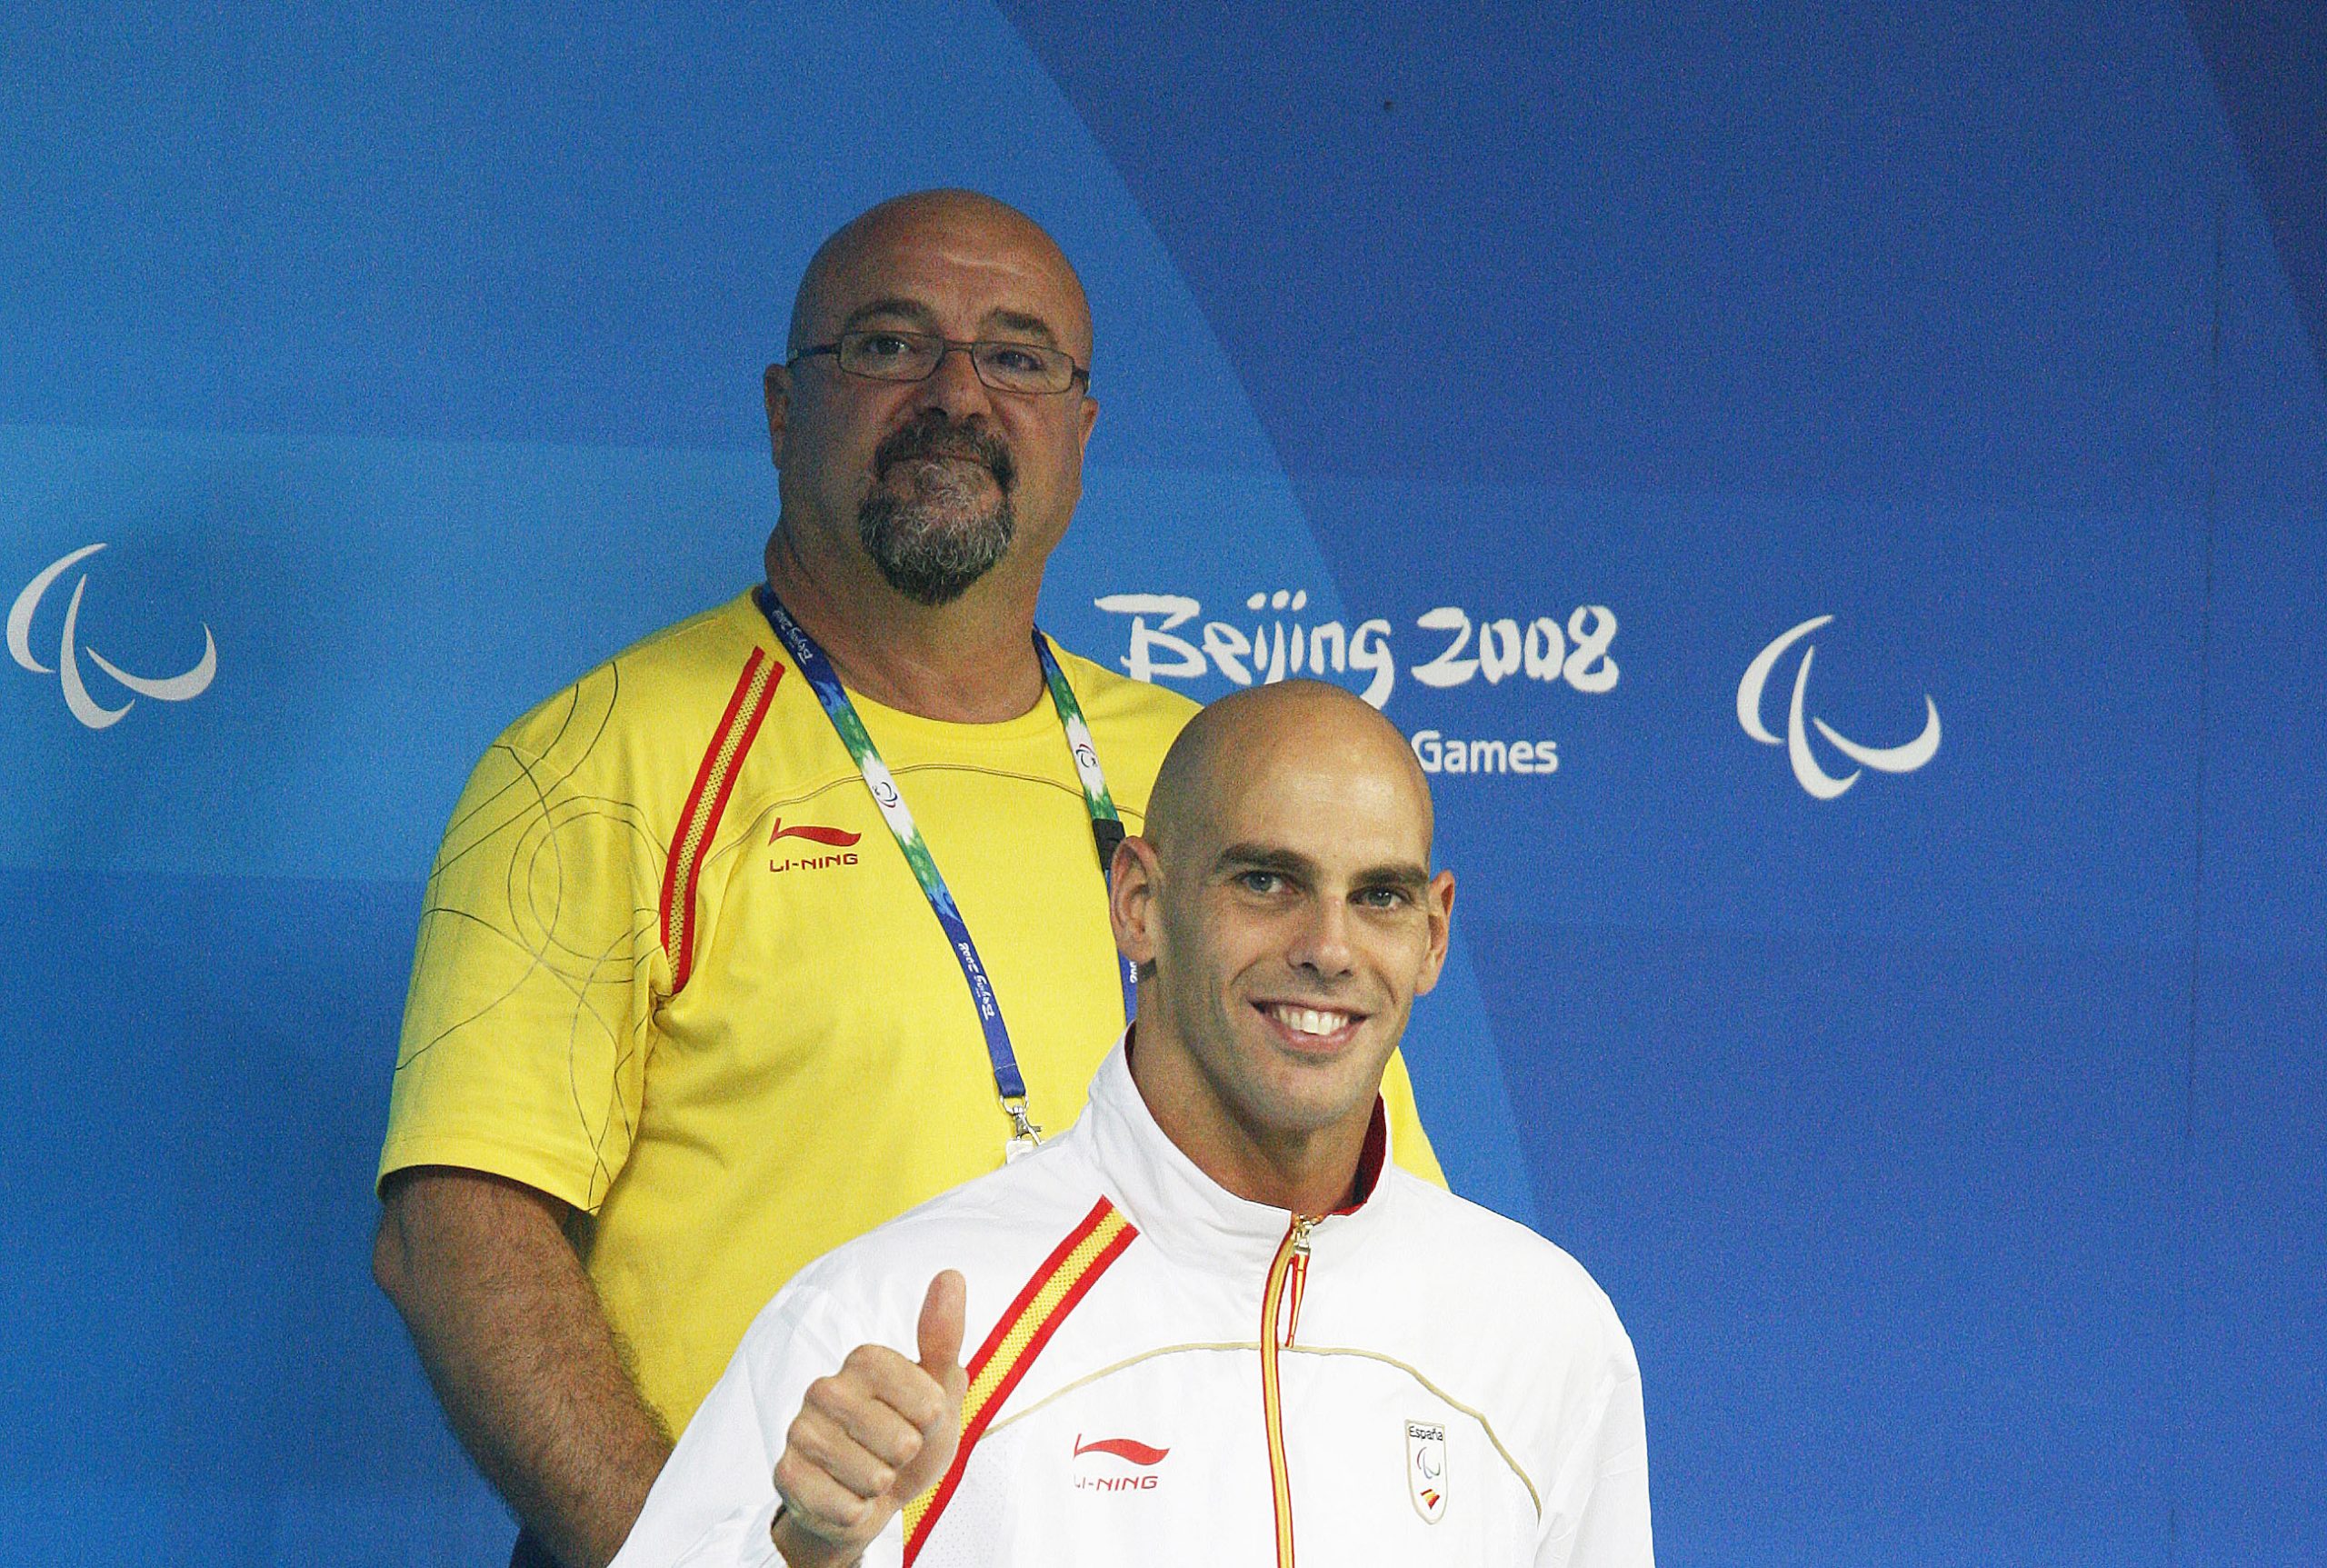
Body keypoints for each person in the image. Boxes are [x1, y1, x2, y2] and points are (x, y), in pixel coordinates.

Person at [369, 191, 1447, 1568]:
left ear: (1081, 428)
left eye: (1016, 356)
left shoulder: (1210, 778)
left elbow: (1370, 1221)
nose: (955, 396)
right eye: (888, 346)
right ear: (781, 409)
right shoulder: (597, 762)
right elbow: (461, 1239)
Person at [608, 681, 1653, 1568]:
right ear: (1140, 904)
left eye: (1377, 897)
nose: (1328, 947)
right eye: (1266, 881)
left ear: (1432, 939)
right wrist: (801, 1553)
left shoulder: (1544, 1330)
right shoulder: (878, 1322)